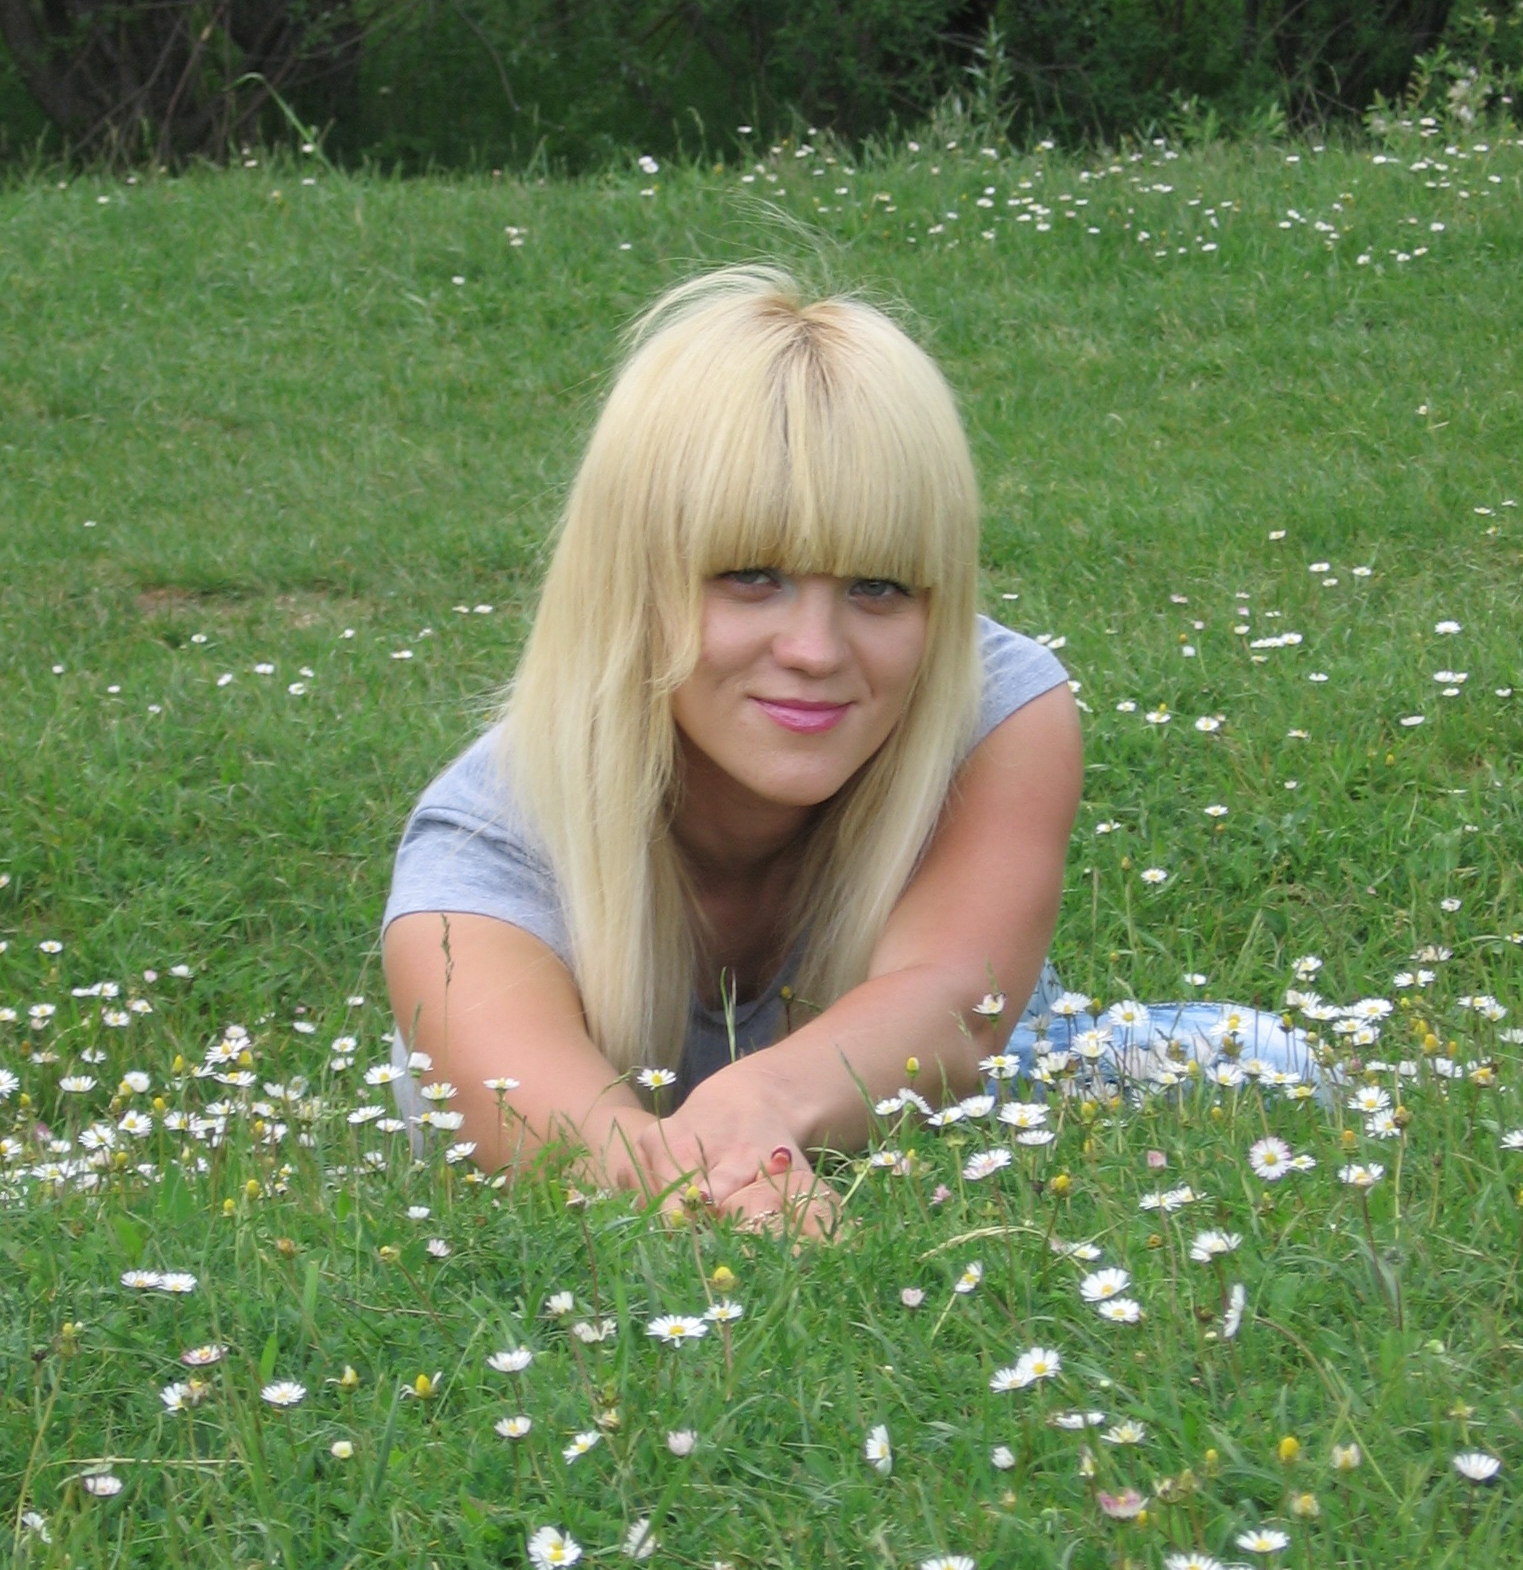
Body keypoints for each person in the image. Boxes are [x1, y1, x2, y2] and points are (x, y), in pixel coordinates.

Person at [381, 266, 1317, 1230]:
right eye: (751, 576)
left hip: (970, 1073)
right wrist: (731, 1187)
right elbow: (569, 1146)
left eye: (879, 587)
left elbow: (955, 1007)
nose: (816, 652)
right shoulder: (479, 853)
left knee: (1277, 1065)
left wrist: (758, 1109)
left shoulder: (995, 709)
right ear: (630, 582)